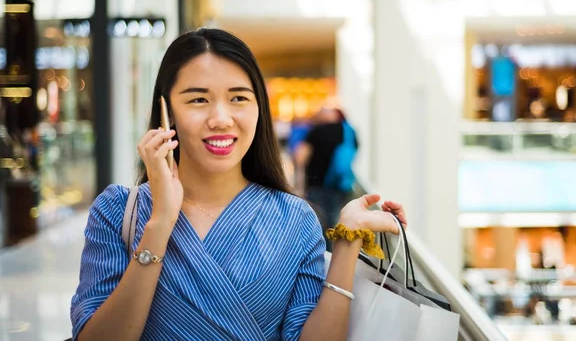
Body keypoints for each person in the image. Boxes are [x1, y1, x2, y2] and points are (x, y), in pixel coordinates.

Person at [70, 28, 406, 341]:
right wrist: (161, 222)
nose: (220, 118)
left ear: (259, 108)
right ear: (165, 110)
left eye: (239, 98)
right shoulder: (118, 211)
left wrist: (347, 244)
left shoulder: (295, 219)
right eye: (198, 99)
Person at [294, 108, 358, 250]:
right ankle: (340, 254)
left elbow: (300, 157)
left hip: (317, 184)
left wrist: (299, 185)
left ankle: (326, 256)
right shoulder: (349, 132)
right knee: (337, 220)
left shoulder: (317, 131)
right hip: (341, 183)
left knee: (320, 223)